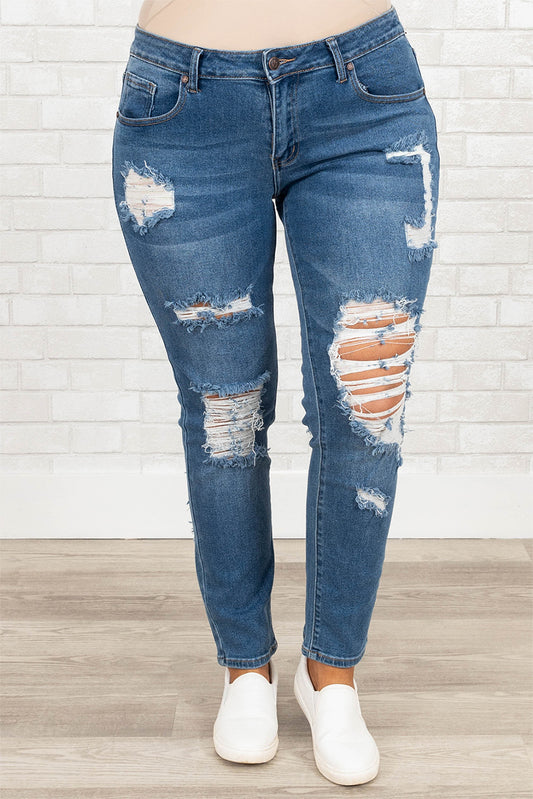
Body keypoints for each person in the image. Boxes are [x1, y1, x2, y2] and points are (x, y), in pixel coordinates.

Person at [112, 0, 440, 785]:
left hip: (363, 98)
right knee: (225, 411)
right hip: (182, 106)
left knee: (367, 408)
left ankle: (332, 676)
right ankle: (244, 669)